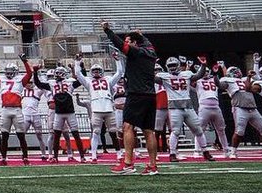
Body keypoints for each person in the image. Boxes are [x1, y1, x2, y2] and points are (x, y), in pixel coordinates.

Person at [103, 22, 160, 175]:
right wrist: (140, 35)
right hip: (150, 95)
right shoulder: (150, 51)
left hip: (136, 94)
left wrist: (108, 31)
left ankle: (128, 164)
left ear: (135, 43)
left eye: (129, 41)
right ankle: (153, 166)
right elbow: (146, 42)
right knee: (149, 131)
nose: (126, 43)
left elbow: (120, 45)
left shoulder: (136, 52)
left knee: (128, 127)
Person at [155, 56, 213, 162]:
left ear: (178, 65)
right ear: (167, 66)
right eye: (170, 66)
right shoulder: (164, 76)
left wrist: (203, 65)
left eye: (174, 65)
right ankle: (172, 153)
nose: (172, 67)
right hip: (174, 108)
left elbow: (198, 75)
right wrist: (150, 65)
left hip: (188, 107)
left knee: (199, 130)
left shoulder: (186, 74)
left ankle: (205, 152)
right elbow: (152, 77)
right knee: (175, 131)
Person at [74, 54, 124, 162]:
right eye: (94, 71)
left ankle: (119, 154)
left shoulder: (108, 80)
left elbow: (119, 73)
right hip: (96, 109)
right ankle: (93, 155)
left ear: (101, 71)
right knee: (96, 132)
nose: (96, 72)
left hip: (108, 108)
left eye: (98, 70)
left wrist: (118, 61)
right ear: (91, 72)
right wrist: (77, 62)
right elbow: (78, 74)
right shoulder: (88, 81)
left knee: (113, 132)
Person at [217, 63, 262, 159]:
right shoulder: (228, 80)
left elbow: (257, 79)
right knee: (239, 131)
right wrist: (217, 73)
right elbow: (219, 85)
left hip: (253, 108)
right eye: (234, 71)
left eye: (237, 71)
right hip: (239, 108)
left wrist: (255, 65)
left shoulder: (245, 79)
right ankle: (233, 152)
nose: (237, 73)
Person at [34, 63, 87, 163]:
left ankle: (82, 156)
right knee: (56, 135)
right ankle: (55, 157)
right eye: (56, 73)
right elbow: (38, 84)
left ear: (63, 74)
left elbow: (82, 80)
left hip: (70, 112)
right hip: (58, 113)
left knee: (75, 134)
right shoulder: (52, 84)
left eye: (58, 73)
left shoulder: (69, 83)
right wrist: (35, 72)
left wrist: (82, 68)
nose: (56, 75)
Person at [0, 57, 33, 165]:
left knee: (21, 135)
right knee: (4, 136)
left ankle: (25, 158)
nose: (9, 73)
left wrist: (25, 61)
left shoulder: (20, 80)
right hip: (5, 109)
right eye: (8, 71)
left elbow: (30, 74)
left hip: (16, 109)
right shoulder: (2, 80)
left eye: (11, 71)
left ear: (15, 72)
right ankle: (3, 158)